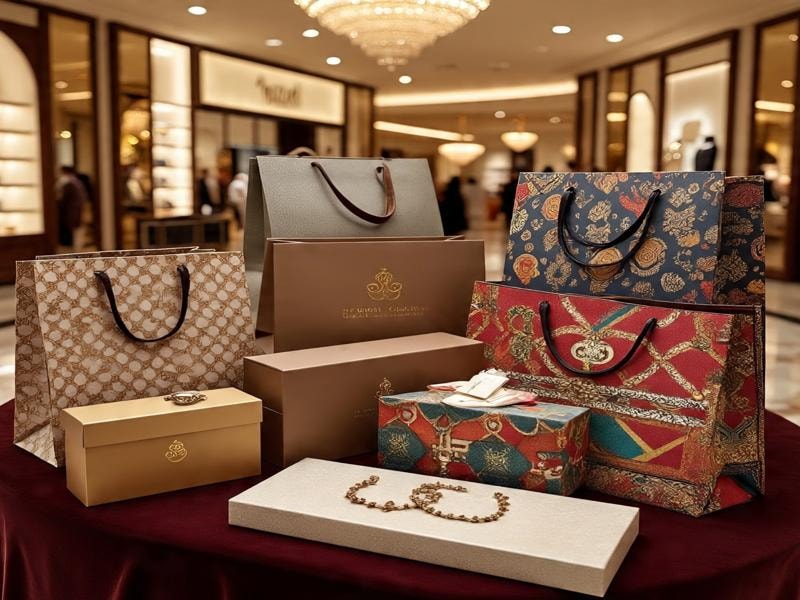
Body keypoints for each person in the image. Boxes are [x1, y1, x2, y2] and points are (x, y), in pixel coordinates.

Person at [56, 165, 88, 250]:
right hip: (75, 210)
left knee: (71, 231)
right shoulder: (77, 182)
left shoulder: (69, 183)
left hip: (71, 211)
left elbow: (63, 200)